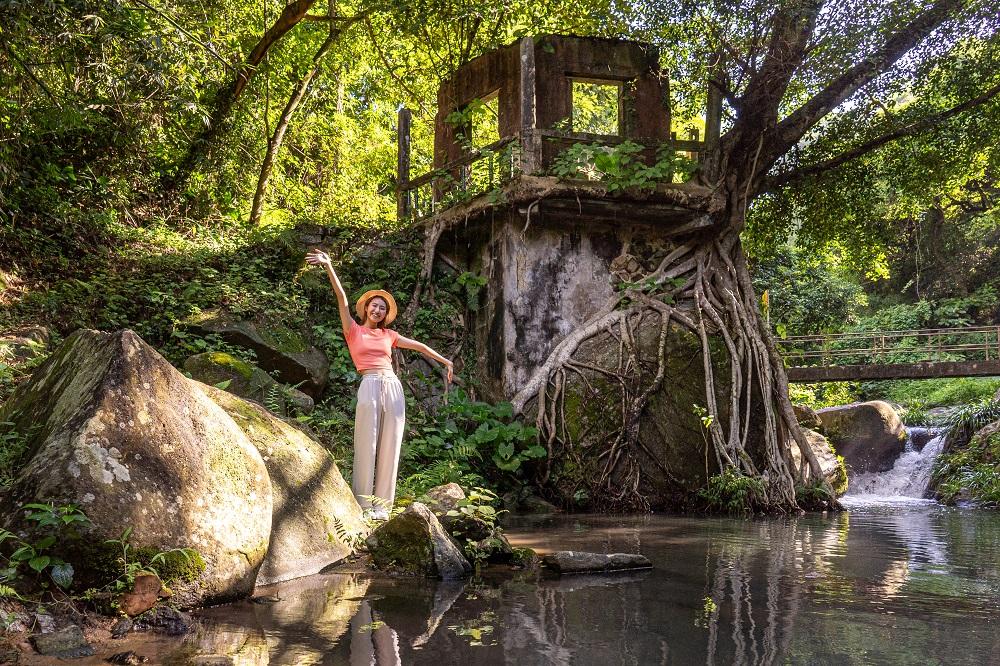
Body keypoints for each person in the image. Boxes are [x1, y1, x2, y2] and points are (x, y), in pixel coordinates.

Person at [305, 248, 453, 520]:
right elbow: (341, 297)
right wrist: (328, 266)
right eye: (374, 305)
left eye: (382, 308)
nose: (377, 309)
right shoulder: (353, 330)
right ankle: (363, 505)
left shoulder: (390, 334)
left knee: (391, 443)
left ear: (385, 314)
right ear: (366, 309)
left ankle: (382, 507)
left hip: (392, 386)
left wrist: (445, 361)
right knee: (367, 441)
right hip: (370, 383)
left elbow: (419, 346)